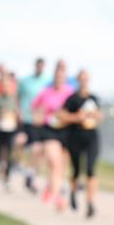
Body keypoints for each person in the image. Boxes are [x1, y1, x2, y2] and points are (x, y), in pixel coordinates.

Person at [59, 69, 102, 218]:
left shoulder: (94, 98)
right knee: (76, 170)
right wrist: (77, 117)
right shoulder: (72, 99)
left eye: (86, 79)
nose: (84, 81)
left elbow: (100, 115)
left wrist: (95, 115)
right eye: (81, 79)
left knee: (90, 169)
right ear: (78, 80)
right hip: (75, 136)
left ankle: (90, 202)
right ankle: (73, 191)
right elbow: (61, 115)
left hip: (91, 137)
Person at [31, 64, 74, 211]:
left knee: (61, 165)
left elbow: (75, 110)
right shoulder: (46, 92)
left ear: (65, 78)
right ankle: (58, 197)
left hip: (66, 131)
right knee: (54, 161)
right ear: (54, 76)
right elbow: (34, 107)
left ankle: (53, 187)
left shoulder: (70, 92)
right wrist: (38, 117)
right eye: (57, 76)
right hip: (49, 130)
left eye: (62, 76)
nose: (59, 79)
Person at [16, 58, 50, 193]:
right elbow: (18, 97)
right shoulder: (25, 81)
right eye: (38, 65)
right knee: (28, 145)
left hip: (42, 121)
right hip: (28, 119)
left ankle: (31, 175)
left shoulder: (47, 82)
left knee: (38, 151)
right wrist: (19, 112)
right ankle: (22, 167)